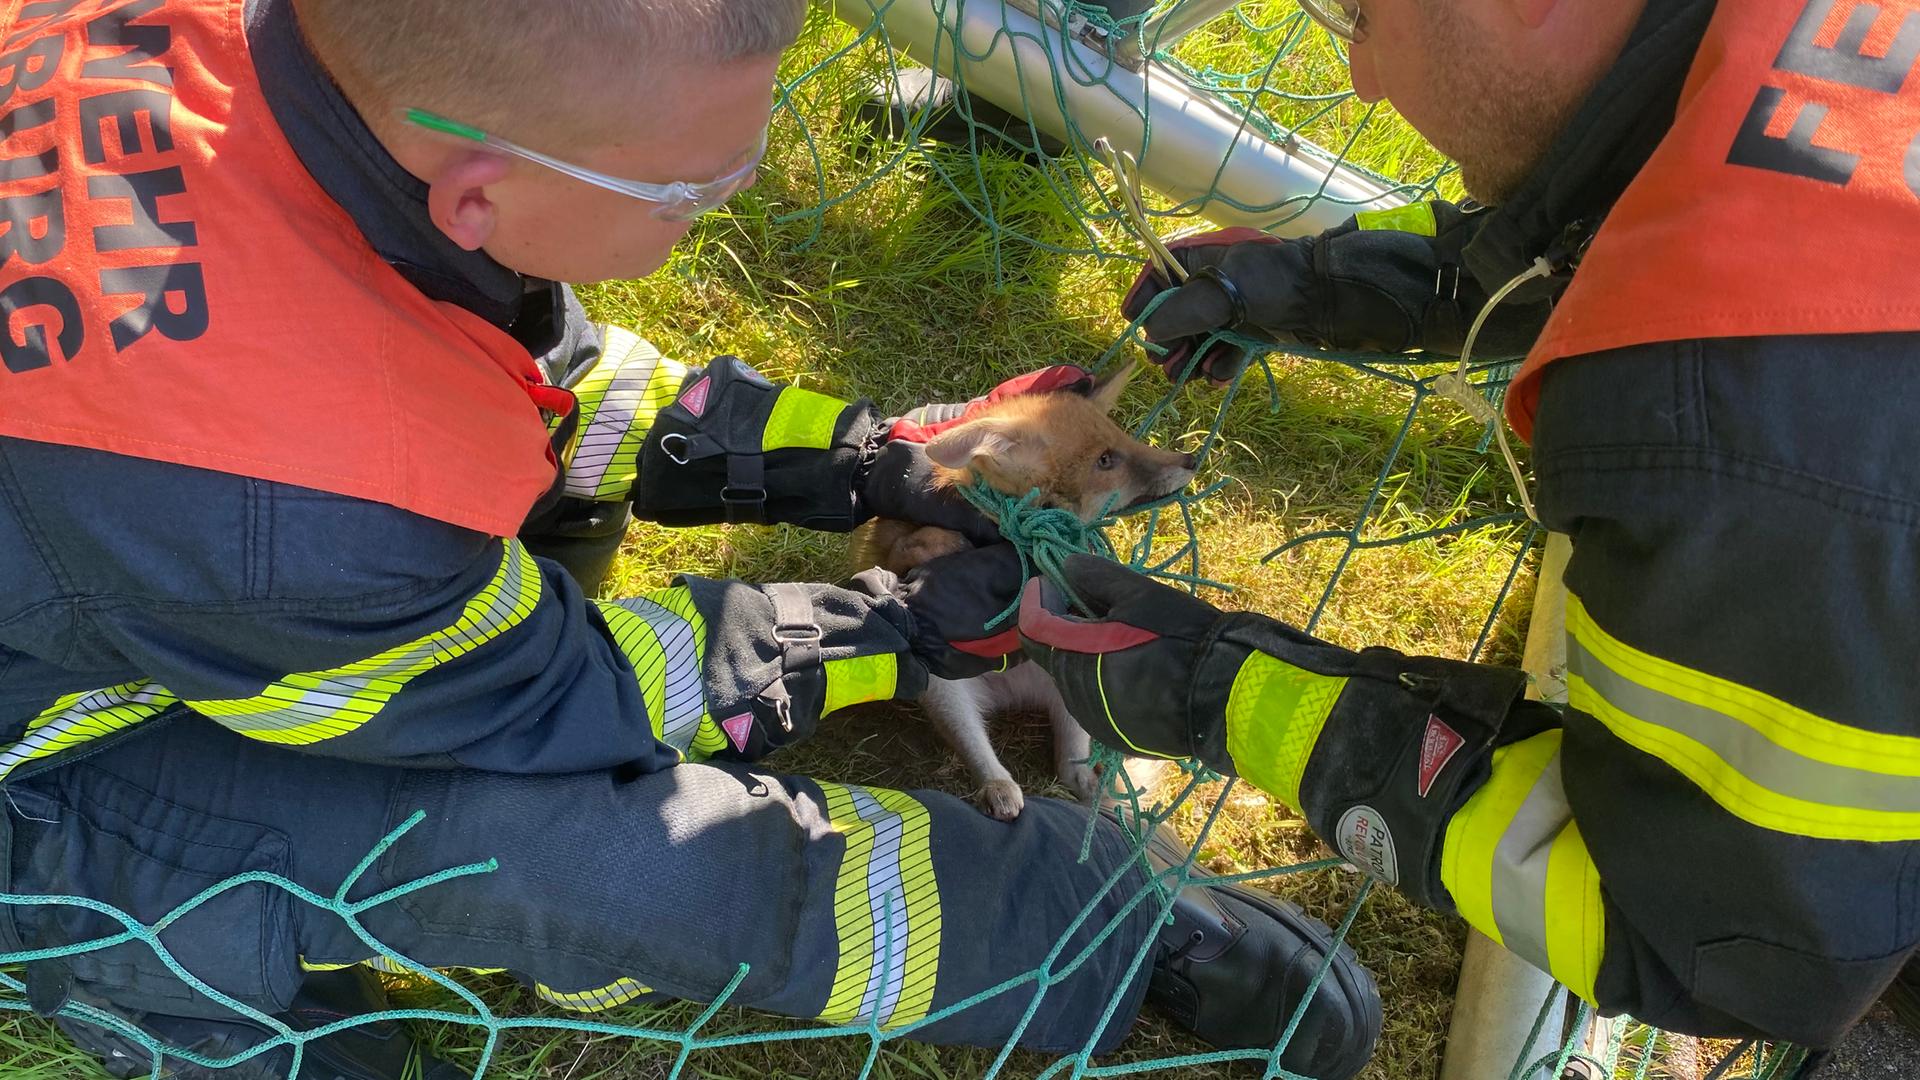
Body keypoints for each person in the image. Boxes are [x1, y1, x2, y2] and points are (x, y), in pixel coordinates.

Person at [0, 1, 1383, 1079]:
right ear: (480, 190)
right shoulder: (301, 510)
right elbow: (548, 712)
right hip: (51, 744)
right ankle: (1083, 933)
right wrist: (889, 627)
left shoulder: (260, 69)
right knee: (544, 850)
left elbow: (544, 369)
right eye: (690, 190)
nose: (730, 196)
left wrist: (868, 465)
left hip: (150, 553)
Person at [1008, 0, 1920, 1067]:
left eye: (1359, 17)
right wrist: (1320, 289)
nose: (1361, 82)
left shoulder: (1717, 437)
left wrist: (1224, 693)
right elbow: (1683, 221)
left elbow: (1735, 949)